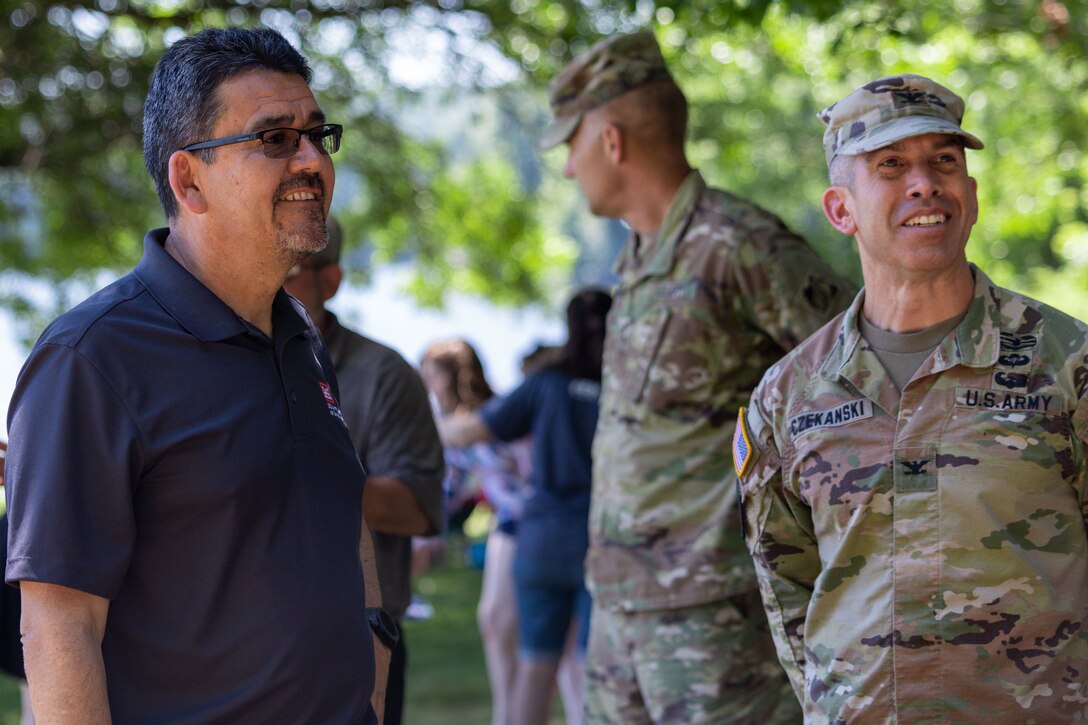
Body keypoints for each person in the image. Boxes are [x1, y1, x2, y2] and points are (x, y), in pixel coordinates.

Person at [4, 27, 389, 723]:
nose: (312, 160)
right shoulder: (90, 358)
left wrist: (375, 652)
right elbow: (58, 629)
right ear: (189, 179)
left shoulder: (300, 337)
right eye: (275, 139)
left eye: (316, 134)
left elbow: (335, 509)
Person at [736, 73, 1088, 722]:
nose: (924, 182)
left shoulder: (1067, 363)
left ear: (972, 196)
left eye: (943, 162)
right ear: (841, 209)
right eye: (890, 165)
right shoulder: (787, 397)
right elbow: (789, 592)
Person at [539, 31, 856, 723]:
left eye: (572, 145)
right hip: (622, 604)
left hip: (716, 614)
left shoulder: (740, 246)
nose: (567, 168)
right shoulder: (639, 258)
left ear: (612, 141)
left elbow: (860, 384)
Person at [282, 215, 445, 725]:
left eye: (289, 270)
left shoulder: (384, 374)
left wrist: (308, 475)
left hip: (357, 639)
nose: (270, 282)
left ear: (329, 281)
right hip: (244, 645)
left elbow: (419, 508)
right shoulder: (224, 364)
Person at [439, 289, 613, 725]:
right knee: (594, 675)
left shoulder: (545, 382)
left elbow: (476, 430)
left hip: (542, 541)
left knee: (535, 670)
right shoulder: (625, 385)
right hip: (601, 541)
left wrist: (432, 423)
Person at [419, 339, 531, 725]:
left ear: (453, 376)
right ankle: (507, 713)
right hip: (509, 523)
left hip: (534, 522)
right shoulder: (454, 428)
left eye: (431, 375)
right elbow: (449, 487)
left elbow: (530, 467)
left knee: (505, 621)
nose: (427, 386)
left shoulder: (497, 416)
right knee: (497, 624)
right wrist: (422, 532)